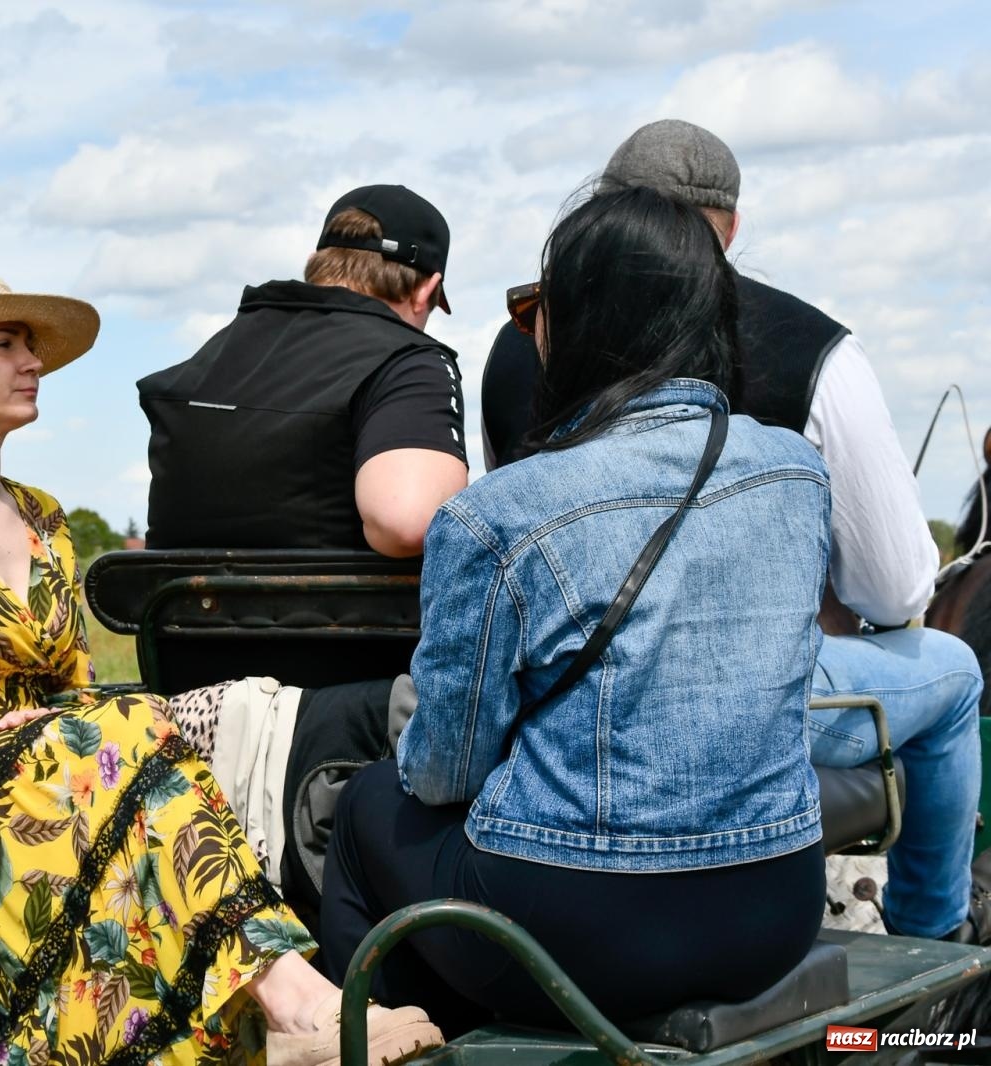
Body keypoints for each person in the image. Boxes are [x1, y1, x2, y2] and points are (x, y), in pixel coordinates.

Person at [0, 269, 443, 1066]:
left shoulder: (43, 520)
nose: (32, 361)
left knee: (130, 738)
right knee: (117, 742)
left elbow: (72, 692)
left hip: (34, 774)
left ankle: (276, 1009)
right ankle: (293, 1006)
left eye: (31, 345)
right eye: (5, 344)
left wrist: (54, 728)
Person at [320, 188, 831, 1033]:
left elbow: (444, 773)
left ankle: (402, 1043)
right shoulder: (798, 473)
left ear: (582, 321)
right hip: (777, 906)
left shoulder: (498, 513)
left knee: (368, 808)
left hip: (581, 934)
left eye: (537, 309)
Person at [482, 119, 986, 944]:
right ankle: (934, 943)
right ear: (733, 226)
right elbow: (896, 589)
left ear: (604, 210)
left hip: (550, 701)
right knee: (956, 671)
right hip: (756, 708)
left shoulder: (517, 341)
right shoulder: (814, 350)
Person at [137, 184, 468, 557]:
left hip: (173, 597)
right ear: (426, 291)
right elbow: (407, 523)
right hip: (337, 598)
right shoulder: (410, 361)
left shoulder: (208, 360)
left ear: (317, 263)